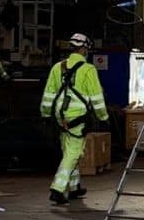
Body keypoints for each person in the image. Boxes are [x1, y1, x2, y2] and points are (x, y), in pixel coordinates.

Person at [40, 32, 108, 204]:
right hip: (77, 117)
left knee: (68, 149)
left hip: (59, 117)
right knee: (73, 152)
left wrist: (46, 114)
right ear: (84, 49)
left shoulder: (57, 67)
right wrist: (103, 116)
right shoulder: (88, 70)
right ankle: (58, 188)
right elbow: (96, 96)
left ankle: (74, 187)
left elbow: (49, 93)